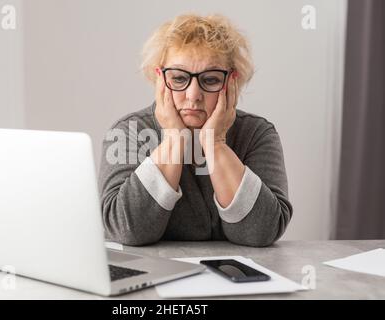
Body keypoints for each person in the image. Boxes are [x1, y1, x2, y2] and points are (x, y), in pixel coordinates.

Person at [98, 13, 293, 247]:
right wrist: (174, 138)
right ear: (160, 79)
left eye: (210, 80)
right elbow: (125, 230)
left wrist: (216, 142)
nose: (193, 95)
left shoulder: (257, 134)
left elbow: (261, 232)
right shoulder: (128, 132)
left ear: (231, 82)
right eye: (179, 78)